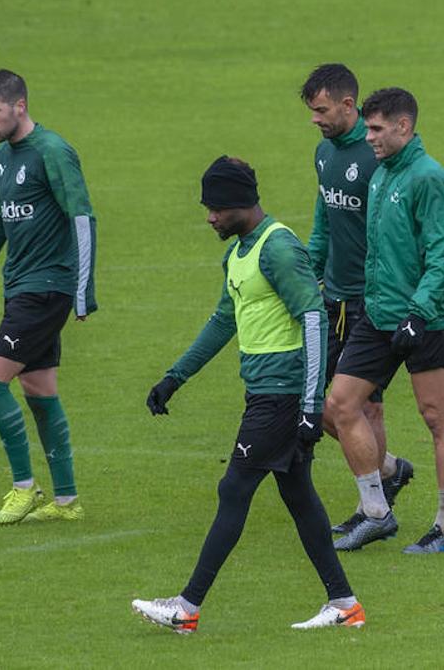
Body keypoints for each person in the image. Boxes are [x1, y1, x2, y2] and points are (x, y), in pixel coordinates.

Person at [133, 157, 364, 633]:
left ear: (240, 202)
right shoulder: (238, 253)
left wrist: (309, 406)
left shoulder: (279, 249)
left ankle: (187, 607)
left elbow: (315, 318)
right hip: (264, 391)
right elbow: (224, 321)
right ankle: (343, 604)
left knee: (233, 488)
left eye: (215, 208)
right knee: (300, 497)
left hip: (281, 395)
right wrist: (175, 377)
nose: (209, 217)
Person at [323, 87, 444, 554]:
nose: (370, 138)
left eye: (378, 129)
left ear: (404, 126)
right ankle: (376, 513)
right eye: (367, 128)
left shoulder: (428, 178)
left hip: (425, 320)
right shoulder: (382, 174)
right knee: (340, 405)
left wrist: (419, 313)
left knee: (437, 418)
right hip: (378, 316)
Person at [0, 69, 95, 524]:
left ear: (20, 106)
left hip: (46, 289)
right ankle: (67, 501)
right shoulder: (2, 158)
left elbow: (82, 217)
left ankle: (23, 488)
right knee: (39, 391)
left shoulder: (52, 152)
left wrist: (84, 289)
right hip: (21, 287)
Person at [300, 64, 414, 535]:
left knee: (362, 407)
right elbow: (324, 216)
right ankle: (387, 471)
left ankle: (374, 508)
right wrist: (311, 269)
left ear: (350, 105)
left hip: (372, 301)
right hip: (334, 297)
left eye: (322, 110)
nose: (315, 119)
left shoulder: (375, 158)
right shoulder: (324, 153)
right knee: (328, 407)